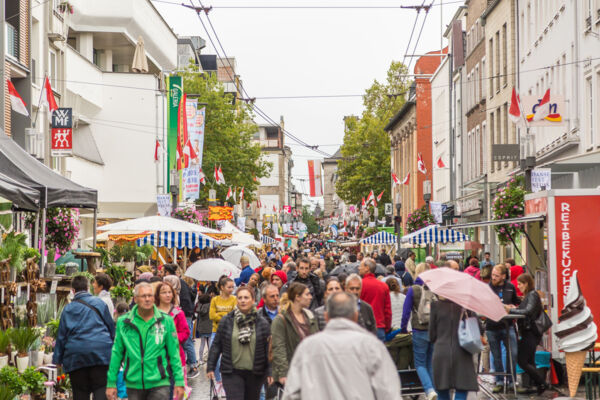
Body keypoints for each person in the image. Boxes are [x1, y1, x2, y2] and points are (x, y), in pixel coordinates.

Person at [283, 292, 402, 400]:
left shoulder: (308, 348)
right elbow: (389, 392)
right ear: (355, 316)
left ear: (326, 316)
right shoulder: (372, 346)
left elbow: (292, 394)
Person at [106, 283, 184, 400]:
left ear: (154, 298)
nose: (147, 299)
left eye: (150, 296)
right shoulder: (124, 322)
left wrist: (179, 380)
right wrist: (111, 382)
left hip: (159, 382)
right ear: (135, 299)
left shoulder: (166, 321)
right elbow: (117, 353)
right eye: (143, 296)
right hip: (133, 382)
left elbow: (174, 354)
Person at [54, 276, 115, 400]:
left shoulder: (68, 309)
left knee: (80, 392)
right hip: (101, 353)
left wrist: (57, 360)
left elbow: (61, 336)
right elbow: (111, 328)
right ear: (88, 288)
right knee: (101, 388)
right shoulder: (100, 303)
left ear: (73, 291)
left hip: (76, 356)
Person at [207, 286, 273, 400]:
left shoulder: (262, 323)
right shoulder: (227, 320)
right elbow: (217, 345)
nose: (242, 300)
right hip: (231, 372)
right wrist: (210, 366)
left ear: (253, 300)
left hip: (255, 373)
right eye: (240, 298)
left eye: (246, 298)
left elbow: (269, 350)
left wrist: (271, 371)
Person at [429, 296, 481, 400]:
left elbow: (432, 335)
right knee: (462, 387)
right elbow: (477, 328)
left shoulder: (435, 306)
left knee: (442, 389)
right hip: (462, 352)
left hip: (441, 351)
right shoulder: (466, 306)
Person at [271, 282, 319, 386]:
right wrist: (283, 374)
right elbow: (279, 348)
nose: (310, 297)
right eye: (307, 294)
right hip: (292, 372)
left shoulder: (310, 316)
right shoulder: (281, 320)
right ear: (297, 297)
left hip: (310, 371)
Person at [401, 263, 436, 400]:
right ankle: (433, 390)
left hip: (418, 329)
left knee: (420, 363)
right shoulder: (434, 288)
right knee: (430, 362)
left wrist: (404, 328)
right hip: (434, 330)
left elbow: (406, 312)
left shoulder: (413, 289)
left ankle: (429, 389)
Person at [507, 273, 547, 394]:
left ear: (526, 284)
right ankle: (537, 385)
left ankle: (542, 383)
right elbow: (525, 309)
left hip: (531, 332)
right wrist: (514, 308)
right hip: (528, 331)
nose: (518, 286)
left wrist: (511, 310)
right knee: (529, 361)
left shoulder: (532, 294)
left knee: (522, 361)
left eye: (520, 284)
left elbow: (528, 311)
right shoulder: (529, 295)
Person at [486, 264, 520, 393]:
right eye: (492, 275)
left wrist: (514, 306)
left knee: (513, 353)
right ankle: (499, 381)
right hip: (492, 326)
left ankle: (511, 380)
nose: (493, 277)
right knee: (496, 355)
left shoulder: (510, 287)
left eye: (496, 275)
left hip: (508, 325)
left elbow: (516, 301)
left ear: (503, 276)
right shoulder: (488, 287)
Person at [155, 281, 190, 399]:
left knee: (172, 393)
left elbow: (185, 332)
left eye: (170, 292)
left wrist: (172, 338)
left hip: (174, 359)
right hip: (154, 359)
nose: (167, 295)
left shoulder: (177, 312)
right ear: (158, 295)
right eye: (164, 292)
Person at [164, 264, 199, 378]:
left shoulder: (177, 286)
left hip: (185, 314)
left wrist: (173, 336)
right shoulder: (180, 283)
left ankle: (194, 365)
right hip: (187, 313)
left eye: (164, 272)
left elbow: (184, 334)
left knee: (187, 341)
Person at [210, 276, 237, 396]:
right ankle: (218, 380)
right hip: (215, 332)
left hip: (230, 332)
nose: (231, 289)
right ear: (222, 287)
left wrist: (220, 316)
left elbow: (234, 315)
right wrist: (225, 316)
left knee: (227, 359)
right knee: (213, 357)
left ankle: (226, 383)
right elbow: (211, 315)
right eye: (229, 287)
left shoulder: (234, 299)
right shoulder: (215, 300)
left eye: (232, 287)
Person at [358, 258, 392, 341]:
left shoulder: (359, 285)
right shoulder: (383, 286)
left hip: (363, 328)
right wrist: (386, 328)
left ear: (367, 268)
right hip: (379, 327)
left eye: (360, 266)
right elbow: (387, 311)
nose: (359, 268)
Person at [195, 294, 212, 364]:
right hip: (209, 327)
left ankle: (201, 359)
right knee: (210, 344)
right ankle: (211, 358)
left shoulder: (199, 307)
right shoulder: (210, 306)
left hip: (202, 328)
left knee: (202, 344)